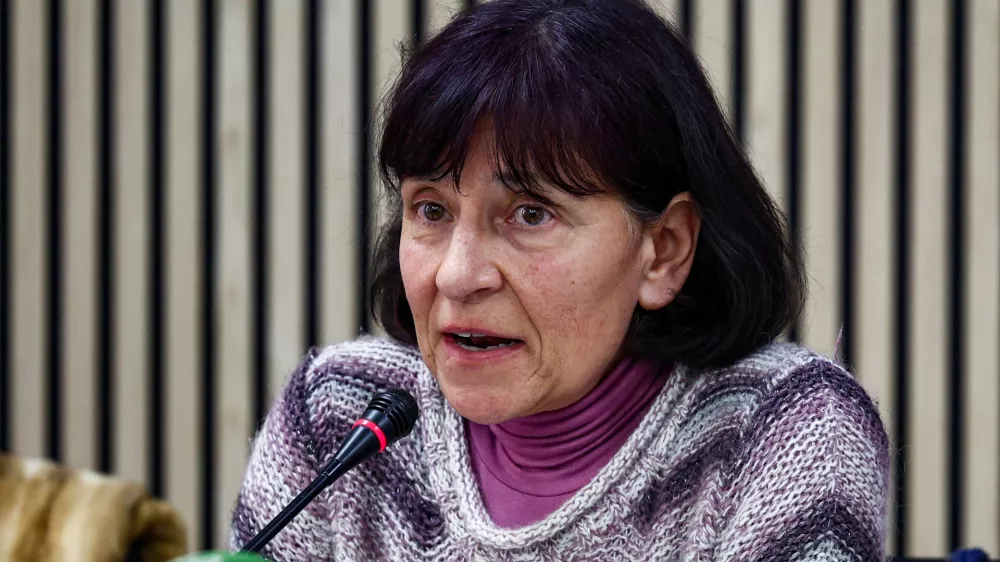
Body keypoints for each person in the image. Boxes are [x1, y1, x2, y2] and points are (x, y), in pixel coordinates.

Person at [229, 0, 890, 560]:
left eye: (529, 214)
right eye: (430, 209)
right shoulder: (340, 415)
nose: (457, 275)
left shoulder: (781, 431)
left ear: (663, 250)